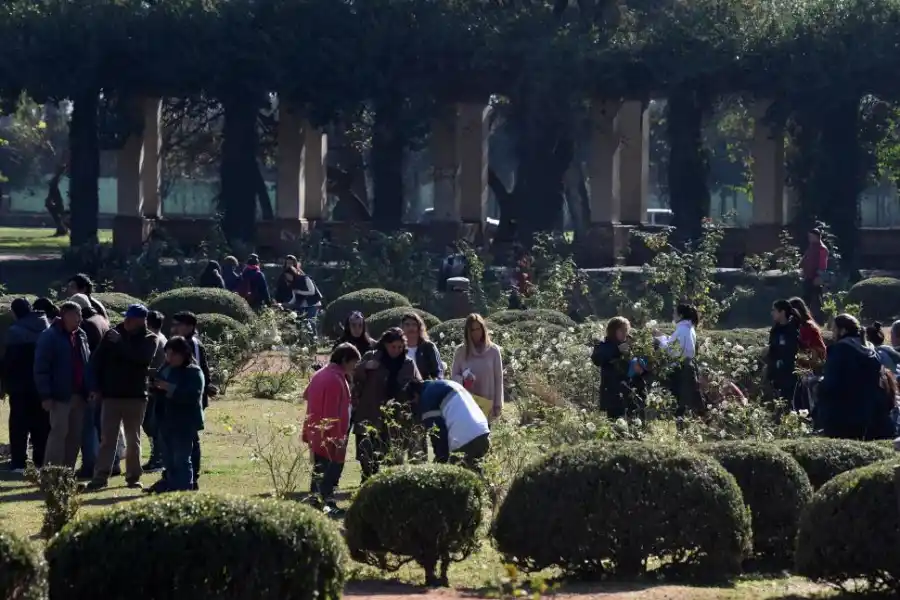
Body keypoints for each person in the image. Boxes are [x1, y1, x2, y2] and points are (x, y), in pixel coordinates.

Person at [84, 304, 160, 491]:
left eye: (132, 318)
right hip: (111, 395)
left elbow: (141, 359)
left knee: (133, 439)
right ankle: (100, 477)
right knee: (107, 439)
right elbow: (96, 361)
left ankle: (133, 477)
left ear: (142, 321)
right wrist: (95, 387)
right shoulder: (112, 335)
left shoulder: (150, 339)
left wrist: (121, 344)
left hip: (135, 396)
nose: (127, 321)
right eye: (127, 317)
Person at [352, 328, 420, 482]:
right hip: (370, 411)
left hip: (395, 416)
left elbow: (416, 385)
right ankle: (367, 482)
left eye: (400, 347)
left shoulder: (408, 364)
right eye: (393, 347)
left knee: (392, 455)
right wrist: (365, 367)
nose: (396, 350)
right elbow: (355, 376)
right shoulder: (372, 358)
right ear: (385, 345)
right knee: (367, 453)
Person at [302, 343, 361, 513]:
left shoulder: (320, 374)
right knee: (329, 472)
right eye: (353, 363)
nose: (354, 368)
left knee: (319, 470)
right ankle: (327, 504)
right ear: (344, 360)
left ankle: (316, 503)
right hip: (329, 434)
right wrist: (337, 438)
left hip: (316, 430)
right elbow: (331, 412)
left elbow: (306, 394)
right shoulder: (336, 379)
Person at [816, 314, 896, 440]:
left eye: (834, 329)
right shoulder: (870, 349)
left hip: (847, 417)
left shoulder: (840, 350)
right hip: (873, 415)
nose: (832, 333)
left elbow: (831, 385)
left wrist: (818, 387)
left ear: (843, 331)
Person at [34, 301, 91, 469]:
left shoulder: (81, 335)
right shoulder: (49, 336)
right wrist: (46, 395)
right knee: (59, 433)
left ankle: (67, 474)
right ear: (65, 315)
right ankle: (51, 474)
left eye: (80, 315)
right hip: (59, 395)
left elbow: (87, 363)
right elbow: (41, 368)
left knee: (75, 436)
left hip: (79, 394)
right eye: (76, 315)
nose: (80, 319)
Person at [148, 336, 206, 492]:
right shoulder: (166, 368)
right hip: (165, 420)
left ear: (184, 354)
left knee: (181, 459)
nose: (170, 357)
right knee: (168, 458)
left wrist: (169, 388)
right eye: (168, 354)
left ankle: (183, 489)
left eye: (174, 354)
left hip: (184, 422)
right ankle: (170, 484)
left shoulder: (193, 371)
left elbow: (192, 395)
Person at [67, 293, 113, 479]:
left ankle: (90, 465)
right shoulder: (101, 319)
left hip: (92, 381)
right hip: (104, 379)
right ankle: (110, 462)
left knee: (89, 426)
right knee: (103, 426)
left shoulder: (87, 326)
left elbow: (88, 358)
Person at [2, 298, 51, 473]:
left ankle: (19, 462)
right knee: (42, 423)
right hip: (42, 385)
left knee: (19, 425)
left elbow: (9, 362)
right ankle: (41, 459)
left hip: (20, 386)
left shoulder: (15, 331)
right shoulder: (46, 325)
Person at [171, 311, 216, 490]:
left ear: (189, 326)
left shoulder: (192, 345)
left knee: (191, 439)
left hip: (191, 399)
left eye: (178, 324)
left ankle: (192, 476)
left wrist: (205, 389)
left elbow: (200, 371)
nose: (174, 328)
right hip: (181, 397)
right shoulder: (181, 343)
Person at [405, 378, 490, 470]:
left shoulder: (427, 397)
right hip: (482, 431)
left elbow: (437, 433)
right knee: (479, 477)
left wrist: (440, 462)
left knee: (456, 480)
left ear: (415, 395)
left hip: (463, 440)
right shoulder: (446, 383)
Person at [400, 312, 443, 461]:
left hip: (425, 397)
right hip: (402, 400)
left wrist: (429, 389)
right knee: (404, 438)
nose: (411, 328)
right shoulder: (398, 348)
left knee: (423, 435)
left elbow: (438, 372)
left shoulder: (428, 347)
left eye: (414, 324)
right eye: (407, 325)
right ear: (402, 328)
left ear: (419, 327)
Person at [451, 314, 504, 420]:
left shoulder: (493, 350)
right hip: (467, 403)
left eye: (478, 329)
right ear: (467, 332)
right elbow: (454, 377)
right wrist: (464, 380)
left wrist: (498, 404)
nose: (476, 333)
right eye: (472, 330)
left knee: (485, 434)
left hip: (487, 403)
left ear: (483, 329)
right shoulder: (461, 352)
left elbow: (498, 379)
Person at [591, 316, 640, 419]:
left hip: (629, 392)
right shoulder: (603, 345)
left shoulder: (630, 344)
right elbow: (597, 359)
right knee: (615, 424)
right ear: (613, 330)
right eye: (622, 330)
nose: (625, 333)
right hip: (612, 392)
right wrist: (617, 349)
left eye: (626, 330)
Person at [658, 304, 702, 418]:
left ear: (681, 315)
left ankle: (682, 429)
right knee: (686, 401)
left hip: (681, 369)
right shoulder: (688, 328)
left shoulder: (682, 329)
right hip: (688, 367)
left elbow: (672, 351)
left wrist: (661, 340)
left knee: (680, 403)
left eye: (675, 313)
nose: (673, 315)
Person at [142, 310, 168, 472]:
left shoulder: (155, 340)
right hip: (155, 387)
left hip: (154, 388)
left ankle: (158, 458)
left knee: (151, 425)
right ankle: (157, 456)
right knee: (150, 424)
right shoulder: (162, 338)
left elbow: (153, 367)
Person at [767, 299, 802, 409]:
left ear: (782, 312)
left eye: (774, 310)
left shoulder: (792, 331)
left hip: (787, 375)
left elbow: (790, 352)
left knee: (786, 404)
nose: (772, 313)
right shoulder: (775, 329)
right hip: (774, 374)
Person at [800, 229, 829, 323]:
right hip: (808, 277)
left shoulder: (822, 249)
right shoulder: (811, 247)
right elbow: (805, 259)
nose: (809, 238)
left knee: (816, 299)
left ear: (816, 237)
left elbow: (822, 265)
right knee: (806, 298)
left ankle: (820, 320)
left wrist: (819, 277)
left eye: (811, 236)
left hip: (815, 277)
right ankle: (804, 318)